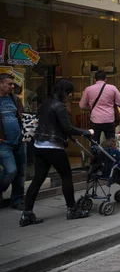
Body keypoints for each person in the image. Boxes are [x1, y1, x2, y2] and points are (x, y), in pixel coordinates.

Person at [20, 79, 94, 227]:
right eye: (70, 92)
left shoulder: (45, 104)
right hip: (54, 147)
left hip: (39, 145)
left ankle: (27, 213)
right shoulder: (60, 107)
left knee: (37, 179)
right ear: (66, 93)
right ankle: (72, 209)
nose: (71, 95)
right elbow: (68, 128)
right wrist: (86, 132)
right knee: (66, 177)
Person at [0, 73, 26, 210]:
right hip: (4, 143)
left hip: (19, 140)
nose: (12, 86)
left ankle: (17, 199)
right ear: (1, 84)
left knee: (20, 172)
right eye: (9, 84)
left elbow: (21, 116)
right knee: (11, 171)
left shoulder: (15, 99)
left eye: (13, 84)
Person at [79, 71, 120, 143]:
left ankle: (96, 154)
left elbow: (82, 106)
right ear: (106, 79)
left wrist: (91, 107)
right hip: (109, 119)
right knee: (111, 143)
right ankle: (110, 154)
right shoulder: (113, 88)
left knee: (94, 143)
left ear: (94, 79)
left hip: (95, 120)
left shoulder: (88, 89)